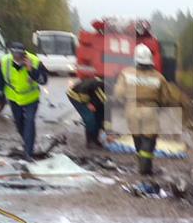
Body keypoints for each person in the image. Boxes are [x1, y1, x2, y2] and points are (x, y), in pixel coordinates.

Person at [114, 44, 181, 182]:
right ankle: (145, 169)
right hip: (150, 111)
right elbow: (166, 99)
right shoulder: (159, 77)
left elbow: (119, 94)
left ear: (136, 59)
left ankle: (142, 164)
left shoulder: (125, 73)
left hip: (131, 110)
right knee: (149, 141)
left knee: (137, 138)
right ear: (150, 60)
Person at [0, 42, 49, 158]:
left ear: (24, 54)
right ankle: (28, 141)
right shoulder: (4, 62)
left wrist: (31, 69)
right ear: (11, 53)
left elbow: (44, 80)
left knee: (29, 121)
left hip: (31, 98)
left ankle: (29, 152)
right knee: (19, 123)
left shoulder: (35, 61)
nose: (17, 58)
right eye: (15, 54)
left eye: (20, 55)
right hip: (14, 99)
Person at [68, 73, 108, 150]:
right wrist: (89, 104)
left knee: (100, 116)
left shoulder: (106, 89)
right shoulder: (100, 86)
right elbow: (95, 101)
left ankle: (95, 140)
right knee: (90, 118)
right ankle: (90, 143)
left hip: (91, 95)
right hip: (76, 96)